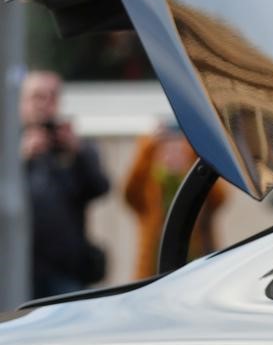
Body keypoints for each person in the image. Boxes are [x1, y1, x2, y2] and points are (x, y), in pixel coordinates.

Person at [20, 70, 110, 298]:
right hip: (17, 270)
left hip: (66, 271)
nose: (45, 104)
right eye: (37, 97)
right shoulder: (9, 144)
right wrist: (20, 158)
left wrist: (77, 153)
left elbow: (100, 188)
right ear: (22, 102)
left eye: (52, 97)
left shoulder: (74, 147)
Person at [123, 122, 228, 279]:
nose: (173, 155)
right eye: (167, 150)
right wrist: (147, 149)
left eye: (179, 149)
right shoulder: (150, 185)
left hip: (196, 266)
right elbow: (129, 193)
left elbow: (219, 198)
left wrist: (197, 156)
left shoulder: (197, 181)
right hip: (153, 270)